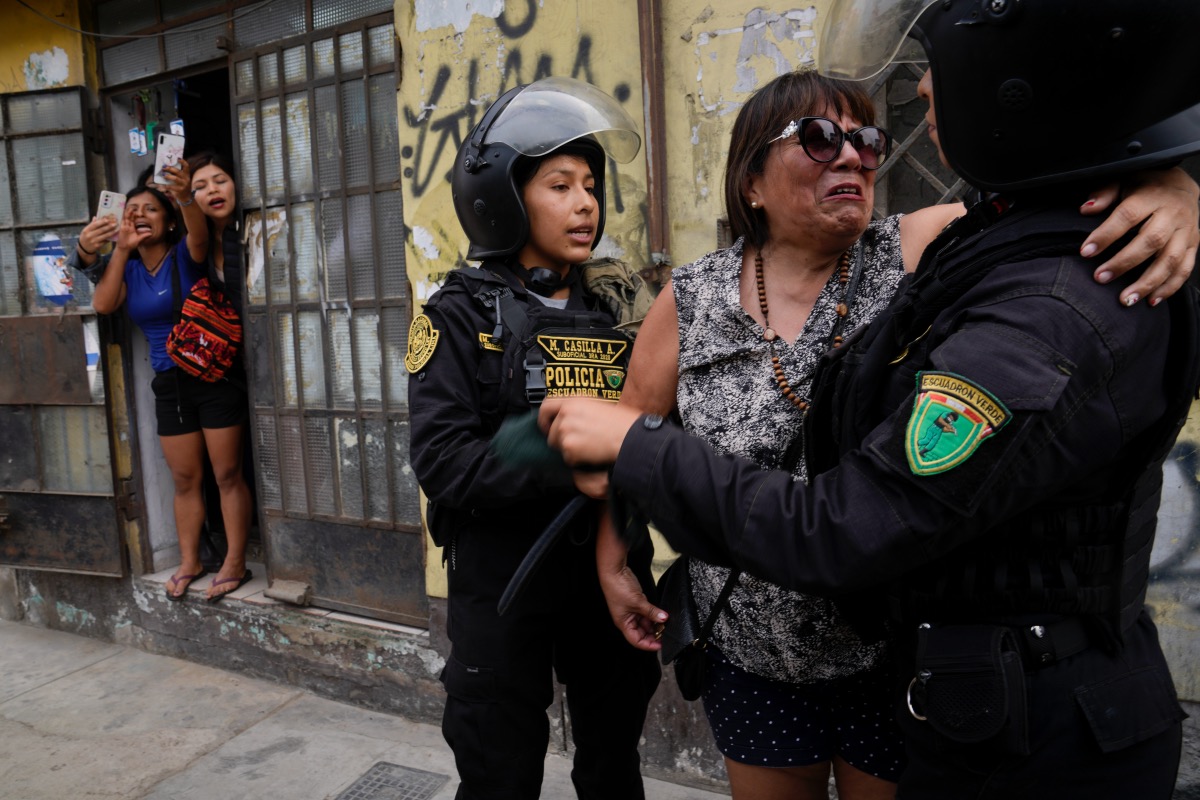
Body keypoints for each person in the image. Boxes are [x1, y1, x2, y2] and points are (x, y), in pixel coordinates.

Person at [539, 1, 1200, 797]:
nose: (851, 155)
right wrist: (616, 562)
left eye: (866, 139)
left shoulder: (918, 248)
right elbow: (629, 432)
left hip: (886, 659)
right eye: (818, 139)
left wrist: (1173, 186)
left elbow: (1066, 194)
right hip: (752, 650)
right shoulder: (693, 297)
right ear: (751, 179)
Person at [405, 76, 661, 799]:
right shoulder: (456, 316)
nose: (585, 204)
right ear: (504, 198)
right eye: (559, 185)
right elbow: (443, 462)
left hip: (608, 568)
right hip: (501, 578)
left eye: (589, 185)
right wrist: (558, 459)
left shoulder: (623, 308)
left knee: (614, 768)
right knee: (499, 771)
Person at [91, 161, 251, 605]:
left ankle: (235, 562)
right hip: (169, 383)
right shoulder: (127, 269)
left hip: (214, 377)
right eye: (132, 211)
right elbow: (104, 305)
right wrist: (120, 249)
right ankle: (189, 562)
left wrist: (185, 195)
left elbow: (198, 230)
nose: (140, 215)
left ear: (167, 219)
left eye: (150, 210)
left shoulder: (186, 252)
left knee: (227, 474)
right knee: (185, 479)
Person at [185, 150, 253, 601]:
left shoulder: (261, 227)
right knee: (226, 468)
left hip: (273, 360)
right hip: (223, 371)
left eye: (220, 180)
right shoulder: (199, 245)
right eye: (200, 186)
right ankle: (230, 556)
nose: (212, 190)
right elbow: (193, 233)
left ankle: (240, 558)